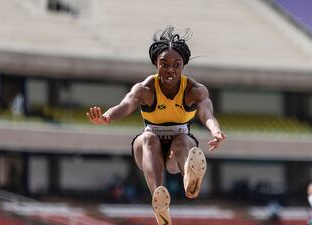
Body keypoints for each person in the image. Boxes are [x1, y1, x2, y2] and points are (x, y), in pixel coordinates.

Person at [86, 26, 226, 225]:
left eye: (176, 65)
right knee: (149, 138)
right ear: (155, 64)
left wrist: (216, 131)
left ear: (183, 66)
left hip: (176, 152)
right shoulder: (145, 89)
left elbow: (206, 113)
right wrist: (107, 117)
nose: (170, 69)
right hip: (149, 152)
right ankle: (159, 199)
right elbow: (125, 106)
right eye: (164, 64)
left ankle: (189, 177)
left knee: (183, 139)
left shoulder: (195, 90)